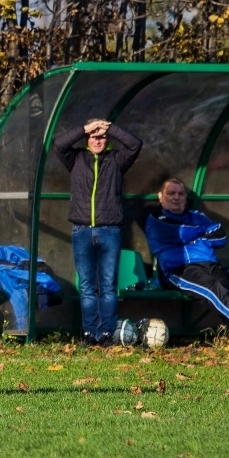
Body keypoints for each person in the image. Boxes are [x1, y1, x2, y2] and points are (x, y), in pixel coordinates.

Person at [144, 177, 229, 343]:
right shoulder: (156, 219)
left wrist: (197, 238)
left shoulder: (196, 216)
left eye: (180, 194)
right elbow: (180, 233)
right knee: (211, 289)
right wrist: (202, 234)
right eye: (171, 193)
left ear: (185, 197)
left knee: (223, 288)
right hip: (180, 269)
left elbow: (221, 237)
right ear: (160, 196)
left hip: (210, 264)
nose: (176, 197)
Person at [54, 118, 143, 346]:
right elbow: (59, 144)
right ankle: (89, 332)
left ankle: (106, 333)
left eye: (101, 136)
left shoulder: (116, 160)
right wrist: (84, 128)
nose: (97, 140)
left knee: (108, 286)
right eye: (93, 136)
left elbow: (135, 144)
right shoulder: (76, 159)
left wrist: (110, 128)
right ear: (86, 139)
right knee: (87, 286)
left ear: (107, 139)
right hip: (82, 230)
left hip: (109, 230)